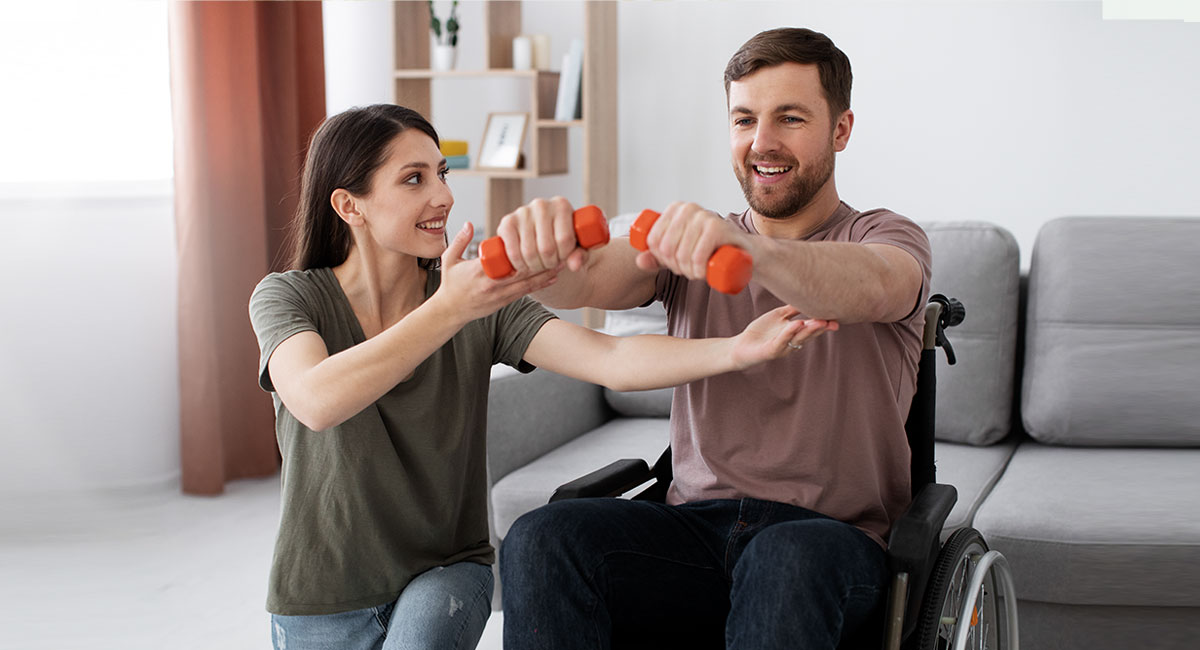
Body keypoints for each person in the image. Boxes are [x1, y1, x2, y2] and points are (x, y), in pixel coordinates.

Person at [247, 103, 836, 650]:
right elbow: (317, 399)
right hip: (318, 595)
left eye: (442, 174)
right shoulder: (288, 298)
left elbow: (611, 360)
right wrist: (448, 309)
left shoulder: (480, 297)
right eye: (413, 180)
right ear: (350, 206)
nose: (443, 197)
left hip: (445, 571)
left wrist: (737, 350)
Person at [497, 27, 932, 649]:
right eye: (744, 119)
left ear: (841, 129)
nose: (762, 142)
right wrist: (541, 257)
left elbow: (875, 285)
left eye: (790, 118)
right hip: (691, 533)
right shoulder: (691, 244)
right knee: (543, 537)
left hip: (829, 541)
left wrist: (750, 252)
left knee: (785, 557)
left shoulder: (884, 236)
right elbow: (592, 277)